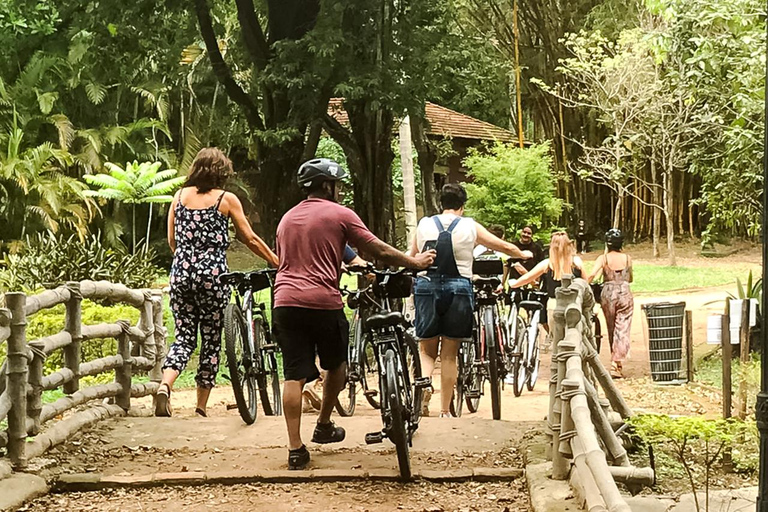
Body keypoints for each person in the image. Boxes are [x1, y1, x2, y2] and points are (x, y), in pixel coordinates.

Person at [273, 158, 435, 470]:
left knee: (293, 375)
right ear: (326, 186)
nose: (341, 190)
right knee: (337, 367)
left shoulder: (287, 218)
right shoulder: (340, 214)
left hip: (285, 302)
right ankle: (323, 424)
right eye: (338, 185)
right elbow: (379, 250)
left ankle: (295, 448)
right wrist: (416, 263)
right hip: (323, 302)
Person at [156, 148, 279, 418]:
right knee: (211, 340)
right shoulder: (226, 199)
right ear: (221, 173)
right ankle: (200, 406)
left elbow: (172, 241)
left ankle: (166, 385)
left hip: (181, 274)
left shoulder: (178, 197)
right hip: (213, 276)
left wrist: (188, 262)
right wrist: (274, 260)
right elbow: (250, 238)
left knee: (184, 337)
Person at [409, 183, 532, 418]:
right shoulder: (469, 225)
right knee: (449, 354)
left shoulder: (424, 224)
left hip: (427, 287)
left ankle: (424, 387)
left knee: (427, 351)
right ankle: (445, 410)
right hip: (459, 289)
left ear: (440, 203)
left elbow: (412, 255)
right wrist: (521, 254)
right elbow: (500, 245)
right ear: (462, 206)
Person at [508, 232, 584, 333]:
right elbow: (585, 282)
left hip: (554, 304)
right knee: (576, 335)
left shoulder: (548, 264)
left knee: (555, 337)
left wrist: (514, 283)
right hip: (575, 303)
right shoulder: (576, 262)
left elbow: (527, 277)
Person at [587, 229, 634, 379]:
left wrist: (584, 285)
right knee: (623, 327)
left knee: (612, 327)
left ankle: (616, 362)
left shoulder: (603, 258)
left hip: (607, 294)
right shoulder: (628, 258)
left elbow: (593, 274)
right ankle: (616, 363)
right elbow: (630, 278)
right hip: (625, 293)